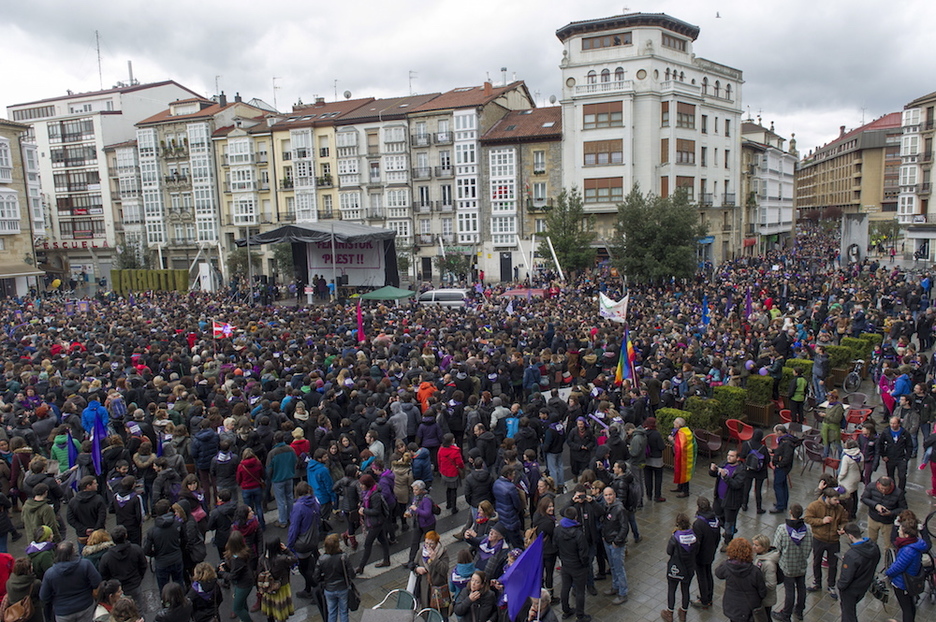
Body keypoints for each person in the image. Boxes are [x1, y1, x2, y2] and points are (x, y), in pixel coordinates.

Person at [39, 541, 102, 622]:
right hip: (85, 606)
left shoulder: (50, 574)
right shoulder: (85, 564)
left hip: (63, 612)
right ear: (72, 552)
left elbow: (44, 596)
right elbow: (97, 582)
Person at [770, 503, 811, 622]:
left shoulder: (782, 529)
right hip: (801, 564)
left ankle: (786, 614)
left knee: (789, 591)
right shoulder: (807, 529)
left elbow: (777, 547)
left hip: (787, 565)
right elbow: (809, 547)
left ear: (790, 512)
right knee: (801, 587)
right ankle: (799, 611)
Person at [803, 487, 846, 598]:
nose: (838, 502)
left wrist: (842, 528)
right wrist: (822, 521)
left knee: (833, 564)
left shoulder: (840, 509)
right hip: (819, 538)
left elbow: (844, 521)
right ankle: (817, 582)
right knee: (816, 562)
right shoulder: (815, 506)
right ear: (827, 498)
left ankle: (831, 585)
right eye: (835, 500)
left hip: (834, 540)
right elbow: (807, 518)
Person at [884, 518, 927, 622]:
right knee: (910, 606)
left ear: (906, 535)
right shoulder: (916, 543)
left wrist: (887, 572)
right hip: (911, 580)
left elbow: (898, 567)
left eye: (900, 530)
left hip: (902, 583)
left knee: (906, 609)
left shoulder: (908, 550)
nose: (898, 531)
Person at [835, 523, 881, 622]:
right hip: (864, 585)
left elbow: (846, 578)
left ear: (850, 536)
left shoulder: (852, 555)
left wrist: (840, 585)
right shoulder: (874, 547)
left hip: (851, 590)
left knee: (848, 614)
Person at [714, 538, 767, 622]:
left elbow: (718, 573)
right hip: (749, 608)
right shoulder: (755, 571)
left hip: (732, 606)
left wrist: (728, 560)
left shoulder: (727, 566)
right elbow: (762, 592)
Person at [143, 499, 185, 593]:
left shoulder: (152, 531)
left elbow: (146, 550)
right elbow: (184, 540)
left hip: (162, 562)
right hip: (176, 558)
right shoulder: (178, 524)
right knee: (179, 583)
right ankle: (181, 603)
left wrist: (155, 554)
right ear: (168, 510)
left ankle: (166, 605)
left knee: (164, 588)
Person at [661, 513, 697, 622]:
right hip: (688, 568)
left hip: (675, 568)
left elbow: (669, 551)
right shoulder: (694, 537)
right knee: (685, 590)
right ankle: (683, 612)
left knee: (672, 590)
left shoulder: (675, 538)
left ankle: (670, 613)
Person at [555, 506, 589, 622]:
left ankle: (566, 610)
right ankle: (580, 616)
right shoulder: (578, 534)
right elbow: (584, 553)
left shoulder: (558, 530)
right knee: (580, 591)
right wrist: (584, 564)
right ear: (575, 517)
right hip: (577, 566)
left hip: (565, 564)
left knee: (565, 587)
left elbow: (556, 546)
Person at [98, 525, 148, 605]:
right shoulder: (136, 549)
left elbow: (103, 575)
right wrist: (139, 578)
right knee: (139, 608)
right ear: (126, 536)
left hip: (117, 589)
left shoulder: (106, 557)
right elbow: (143, 565)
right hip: (134, 584)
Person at [288, 481, 321, 599]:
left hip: (302, 543)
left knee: (303, 569)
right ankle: (308, 589)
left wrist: (290, 545)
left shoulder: (298, 507)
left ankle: (318, 590)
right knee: (310, 566)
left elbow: (294, 528)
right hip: (314, 538)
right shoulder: (315, 502)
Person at [313, 534, 356, 622]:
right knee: (344, 612)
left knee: (331, 612)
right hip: (343, 588)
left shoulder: (321, 559)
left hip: (329, 589)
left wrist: (324, 580)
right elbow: (352, 574)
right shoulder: (343, 557)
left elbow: (316, 577)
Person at [709, 449, 746, 549]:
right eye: (728, 455)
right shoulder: (724, 463)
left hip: (731, 501)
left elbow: (736, 484)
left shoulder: (741, 470)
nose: (728, 457)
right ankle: (728, 530)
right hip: (719, 498)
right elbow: (714, 474)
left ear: (738, 458)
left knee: (729, 522)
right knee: (716, 516)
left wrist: (725, 477)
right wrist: (712, 470)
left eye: (732, 456)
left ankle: (728, 542)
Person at [355, 474, 390, 574]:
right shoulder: (369, 493)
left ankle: (361, 567)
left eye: (362, 484)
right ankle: (386, 560)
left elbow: (376, 511)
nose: (361, 486)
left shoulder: (375, 495)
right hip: (376, 521)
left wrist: (364, 511)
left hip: (376, 522)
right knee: (382, 539)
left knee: (368, 544)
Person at [599, 487, 628, 605]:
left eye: (610, 494)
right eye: (606, 495)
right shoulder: (606, 507)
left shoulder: (619, 509)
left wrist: (617, 541)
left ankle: (623, 593)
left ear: (614, 495)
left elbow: (624, 527)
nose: (608, 497)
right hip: (607, 541)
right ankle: (615, 587)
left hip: (615, 544)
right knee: (613, 567)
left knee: (619, 568)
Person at [861, 476, 908, 548]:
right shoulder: (871, 486)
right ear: (878, 484)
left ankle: (888, 558)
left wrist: (891, 513)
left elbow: (903, 508)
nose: (883, 491)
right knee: (871, 541)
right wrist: (876, 505)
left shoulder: (898, 493)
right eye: (881, 489)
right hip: (873, 518)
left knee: (889, 545)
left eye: (886, 489)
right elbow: (864, 498)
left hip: (888, 522)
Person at [258, 536, 297, 622]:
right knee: (280, 611)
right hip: (281, 587)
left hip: (268, 587)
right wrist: (286, 549)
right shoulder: (281, 559)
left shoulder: (262, 558)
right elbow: (294, 559)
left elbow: (259, 571)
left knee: (270, 611)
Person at [689, 496, 719, 610]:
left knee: (702, 577)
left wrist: (693, 556)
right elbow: (717, 538)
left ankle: (704, 600)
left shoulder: (699, 524)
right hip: (710, 552)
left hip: (701, 555)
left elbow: (697, 543)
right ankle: (708, 596)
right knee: (708, 574)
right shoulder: (714, 519)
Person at [220, 530, 254, 622]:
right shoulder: (243, 552)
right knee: (242, 603)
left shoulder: (237, 559)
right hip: (245, 581)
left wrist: (222, 573)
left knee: (237, 608)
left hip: (243, 584)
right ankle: (244, 618)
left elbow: (233, 576)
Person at [66, 476, 107, 551]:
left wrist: (84, 529)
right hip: (99, 536)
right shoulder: (98, 499)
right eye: (95, 483)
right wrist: (95, 530)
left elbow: (70, 519)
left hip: (82, 536)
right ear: (88, 486)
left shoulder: (73, 501)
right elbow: (102, 517)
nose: (97, 485)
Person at [266, 431, 297, 529]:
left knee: (281, 501)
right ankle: (291, 517)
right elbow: (295, 461)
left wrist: (270, 477)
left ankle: (283, 521)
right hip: (289, 476)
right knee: (289, 498)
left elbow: (269, 468)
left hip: (278, 478)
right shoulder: (291, 449)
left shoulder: (272, 453)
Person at [415, 531, 451, 616]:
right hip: (425, 588)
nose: (428, 546)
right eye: (426, 543)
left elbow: (444, 570)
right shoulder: (421, 552)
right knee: (427, 613)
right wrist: (417, 569)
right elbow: (413, 564)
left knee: (440, 614)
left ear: (436, 543)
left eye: (431, 544)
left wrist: (434, 559)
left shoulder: (443, 553)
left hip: (438, 589)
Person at [878, 415, 912, 491]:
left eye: (894, 423)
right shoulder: (886, 432)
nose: (892, 425)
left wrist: (906, 458)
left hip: (901, 458)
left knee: (902, 476)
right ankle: (892, 489)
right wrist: (883, 455)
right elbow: (880, 443)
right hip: (889, 457)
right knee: (890, 475)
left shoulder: (905, 433)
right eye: (891, 423)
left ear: (899, 424)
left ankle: (901, 491)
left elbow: (909, 446)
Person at [236, 448, 266, 531]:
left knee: (248, 509)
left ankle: (251, 526)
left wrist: (240, 484)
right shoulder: (258, 463)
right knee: (259, 507)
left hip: (246, 488)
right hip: (257, 487)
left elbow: (239, 478)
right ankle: (262, 525)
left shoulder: (241, 466)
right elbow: (262, 474)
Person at [740, 428, 769, 514]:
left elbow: (742, 455)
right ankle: (759, 508)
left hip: (749, 470)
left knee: (746, 488)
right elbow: (767, 460)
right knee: (758, 489)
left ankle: (744, 504)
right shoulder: (763, 448)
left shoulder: (746, 444)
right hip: (760, 471)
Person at [5, 557, 42, 622]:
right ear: (28, 570)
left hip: (16, 615)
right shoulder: (35, 583)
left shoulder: (9, 583)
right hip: (33, 614)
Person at [752, 534, 780, 619]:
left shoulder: (769, 564)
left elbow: (771, 584)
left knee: (765, 618)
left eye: (756, 545)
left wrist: (757, 587)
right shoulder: (759, 557)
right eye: (753, 544)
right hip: (760, 597)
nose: (753, 547)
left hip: (765, 599)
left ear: (764, 547)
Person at [438, 434, 465, 515]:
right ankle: (454, 507)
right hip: (453, 473)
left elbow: (439, 460)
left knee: (448, 489)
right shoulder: (455, 451)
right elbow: (460, 463)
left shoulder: (441, 449)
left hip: (444, 472)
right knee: (454, 490)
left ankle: (448, 504)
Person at [669, 418, 694, 498]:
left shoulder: (682, 433)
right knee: (680, 471)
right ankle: (680, 487)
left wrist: (671, 441)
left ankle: (685, 491)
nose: (673, 423)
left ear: (679, 425)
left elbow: (680, 447)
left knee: (684, 473)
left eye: (675, 422)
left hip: (684, 457)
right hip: (684, 455)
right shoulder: (685, 431)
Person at [643, 417, 667, 502]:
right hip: (657, 459)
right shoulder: (656, 434)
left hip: (646, 459)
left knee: (647, 477)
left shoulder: (643, 433)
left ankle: (649, 495)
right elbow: (661, 446)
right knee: (658, 478)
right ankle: (657, 496)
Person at [819, 390, 844, 459]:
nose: (828, 399)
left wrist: (825, 415)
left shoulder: (839, 407)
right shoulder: (829, 404)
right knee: (826, 443)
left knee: (837, 445)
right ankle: (825, 457)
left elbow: (836, 420)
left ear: (834, 398)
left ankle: (841, 458)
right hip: (826, 428)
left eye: (829, 398)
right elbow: (827, 412)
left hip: (833, 430)